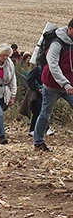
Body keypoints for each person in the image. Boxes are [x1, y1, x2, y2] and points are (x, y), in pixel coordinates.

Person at [33, 18, 73, 152]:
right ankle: (38, 142)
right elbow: (53, 65)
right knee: (45, 114)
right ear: (70, 29)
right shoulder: (56, 44)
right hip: (52, 85)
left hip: (69, 84)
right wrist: (65, 84)